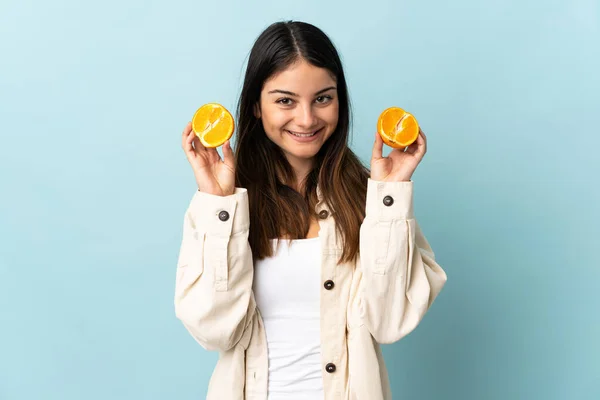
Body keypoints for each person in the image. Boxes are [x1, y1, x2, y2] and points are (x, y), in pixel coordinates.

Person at [175, 20, 447, 400]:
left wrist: (390, 193)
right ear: (256, 105)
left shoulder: (372, 200)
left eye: (323, 98)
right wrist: (221, 204)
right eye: (285, 100)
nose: (307, 119)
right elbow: (213, 330)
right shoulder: (221, 207)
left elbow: (390, 323)